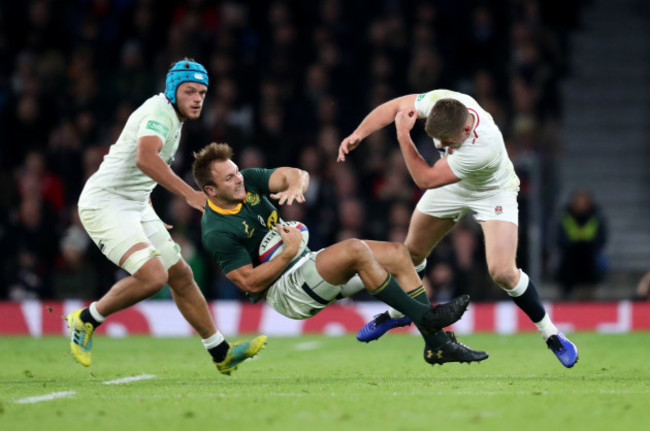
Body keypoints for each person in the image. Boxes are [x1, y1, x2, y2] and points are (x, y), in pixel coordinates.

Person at [338, 89, 579, 368]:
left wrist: (403, 135)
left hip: (492, 192)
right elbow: (394, 107)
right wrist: (359, 133)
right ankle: (399, 312)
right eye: (437, 137)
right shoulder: (439, 102)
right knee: (411, 254)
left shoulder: (482, 145)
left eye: (447, 140)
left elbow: (425, 179)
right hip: (453, 183)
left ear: (466, 129)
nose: (440, 143)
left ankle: (551, 334)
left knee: (502, 272)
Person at [192, 142, 488, 366]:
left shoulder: (248, 181)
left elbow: (294, 174)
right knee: (355, 249)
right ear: (211, 190)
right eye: (229, 178)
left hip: (307, 262)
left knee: (404, 255)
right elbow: (249, 283)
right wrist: (287, 253)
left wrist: (296, 182)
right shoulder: (216, 231)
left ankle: (434, 344)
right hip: (286, 291)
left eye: (235, 171)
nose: (238, 178)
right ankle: (427, 316)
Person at [68, 59, 265, 375]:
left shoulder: (173, 118)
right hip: (105, 204)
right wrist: (188, 193)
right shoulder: (159, 112)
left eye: (202, 92)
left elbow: (137, 170)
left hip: (134, 204)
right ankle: (86, 319)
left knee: (181, 276)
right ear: (172, 90)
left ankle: (221, 352)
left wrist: (151, 213)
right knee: (154, 277)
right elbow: (145, 158)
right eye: (189, 91)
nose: (198, 98)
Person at [555, 188, 608, 300]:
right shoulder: (565, 217)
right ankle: (567, 295)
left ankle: (590, 292)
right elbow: (559, 239)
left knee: (596, 260)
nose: (580, 204)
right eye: (578, 201)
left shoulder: (596, 217)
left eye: (583, 201)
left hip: (590, 254)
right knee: (567, 261)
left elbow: (602, 238)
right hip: (570, 255)